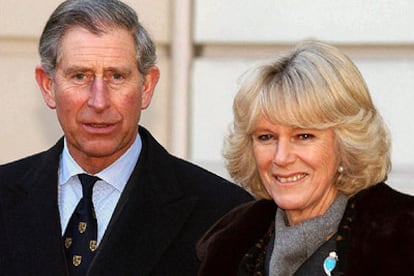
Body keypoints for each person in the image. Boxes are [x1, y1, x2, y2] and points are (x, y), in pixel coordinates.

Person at [0, 0, 252, 275]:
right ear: (48, 86)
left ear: (147, 86)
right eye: (80, 75)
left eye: (116, 76)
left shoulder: (224, 215)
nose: (99, 101)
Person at [197, 40, 414, 275]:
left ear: (346, 142)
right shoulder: (228, 244)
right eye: (266, 137)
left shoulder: (402, 236)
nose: (281, 157)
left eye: (303, 136)